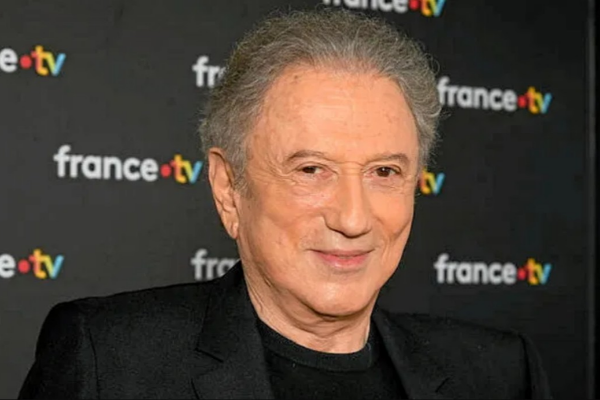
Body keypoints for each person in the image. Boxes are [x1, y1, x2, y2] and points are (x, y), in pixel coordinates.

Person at [18, 8, 552, 399]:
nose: (353, 218)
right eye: (311, 170)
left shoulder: (501, 374)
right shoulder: (110, 362)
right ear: (228, 188)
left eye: (384, 172)